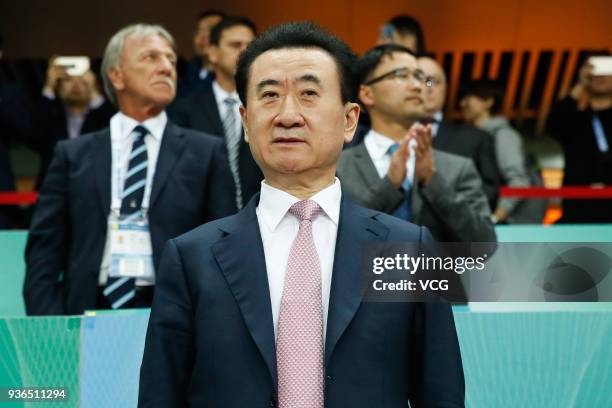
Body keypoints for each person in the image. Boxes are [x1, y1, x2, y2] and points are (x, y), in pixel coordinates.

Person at [139, 22, 464, 407]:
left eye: (309, 94)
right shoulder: (192, 258)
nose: (287, 115)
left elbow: (440, 394)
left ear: (349, 120)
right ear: (245, 121)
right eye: (270, 95)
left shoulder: (408, 250)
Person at [23, 24, 236, 316]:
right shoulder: (72, 154)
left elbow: (222, 248)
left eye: (171, 60)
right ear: (116, 75)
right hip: (88, 309)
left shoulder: (207, 153)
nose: (165, 67)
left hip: (177, 314)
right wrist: (48, 326)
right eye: (150, 57)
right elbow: (44, 253)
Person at [338, 44, 495, 242]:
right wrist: (389, 187)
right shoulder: (337, 167)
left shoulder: (458, 168)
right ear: (367, 94)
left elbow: (485, 242)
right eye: (402, 75)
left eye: (420, 77)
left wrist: (433, 181)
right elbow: (333, 238)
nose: (418, 86)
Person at [170, 16, 261, 209]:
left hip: (259, 218)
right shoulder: (184, 109)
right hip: (201, 221)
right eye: (235, 45)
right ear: (212, 53)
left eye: (251, 46)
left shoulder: (268, 107)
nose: (245, 52)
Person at [417, 56, 502, 210]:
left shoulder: (477, 138)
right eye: (418, 79)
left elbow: (488, 193)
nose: (426, 87)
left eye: (432, 81)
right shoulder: (383, 135)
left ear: (445, 89)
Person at [460, 80, 545, 224]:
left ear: (488, 102)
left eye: (468, 98)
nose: (462, 104)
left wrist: (496, 217)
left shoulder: (503, 135)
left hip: (510, 225)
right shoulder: (475, 137)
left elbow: (518, 180)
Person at [29, 58, 115, 187]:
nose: (76, 84)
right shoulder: (52, 117)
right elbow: (34, 136)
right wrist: (49, 87)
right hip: (54, 189)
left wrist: (94, 92)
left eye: (83, 80)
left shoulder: (102, 117)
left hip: (92, 190)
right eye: (68, 80)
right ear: (58, 87)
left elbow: (117, 129)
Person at [547, 56, 612, 223]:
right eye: (594, 71)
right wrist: (581, 83)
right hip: (579, 206)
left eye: (606, 70)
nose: (600, 76)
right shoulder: (575, 119)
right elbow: (553, 124)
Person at [179, 9, 225, 96]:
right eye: (199, 30)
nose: (202, 36)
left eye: (211, 29)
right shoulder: (183, 73)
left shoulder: (234, 76)